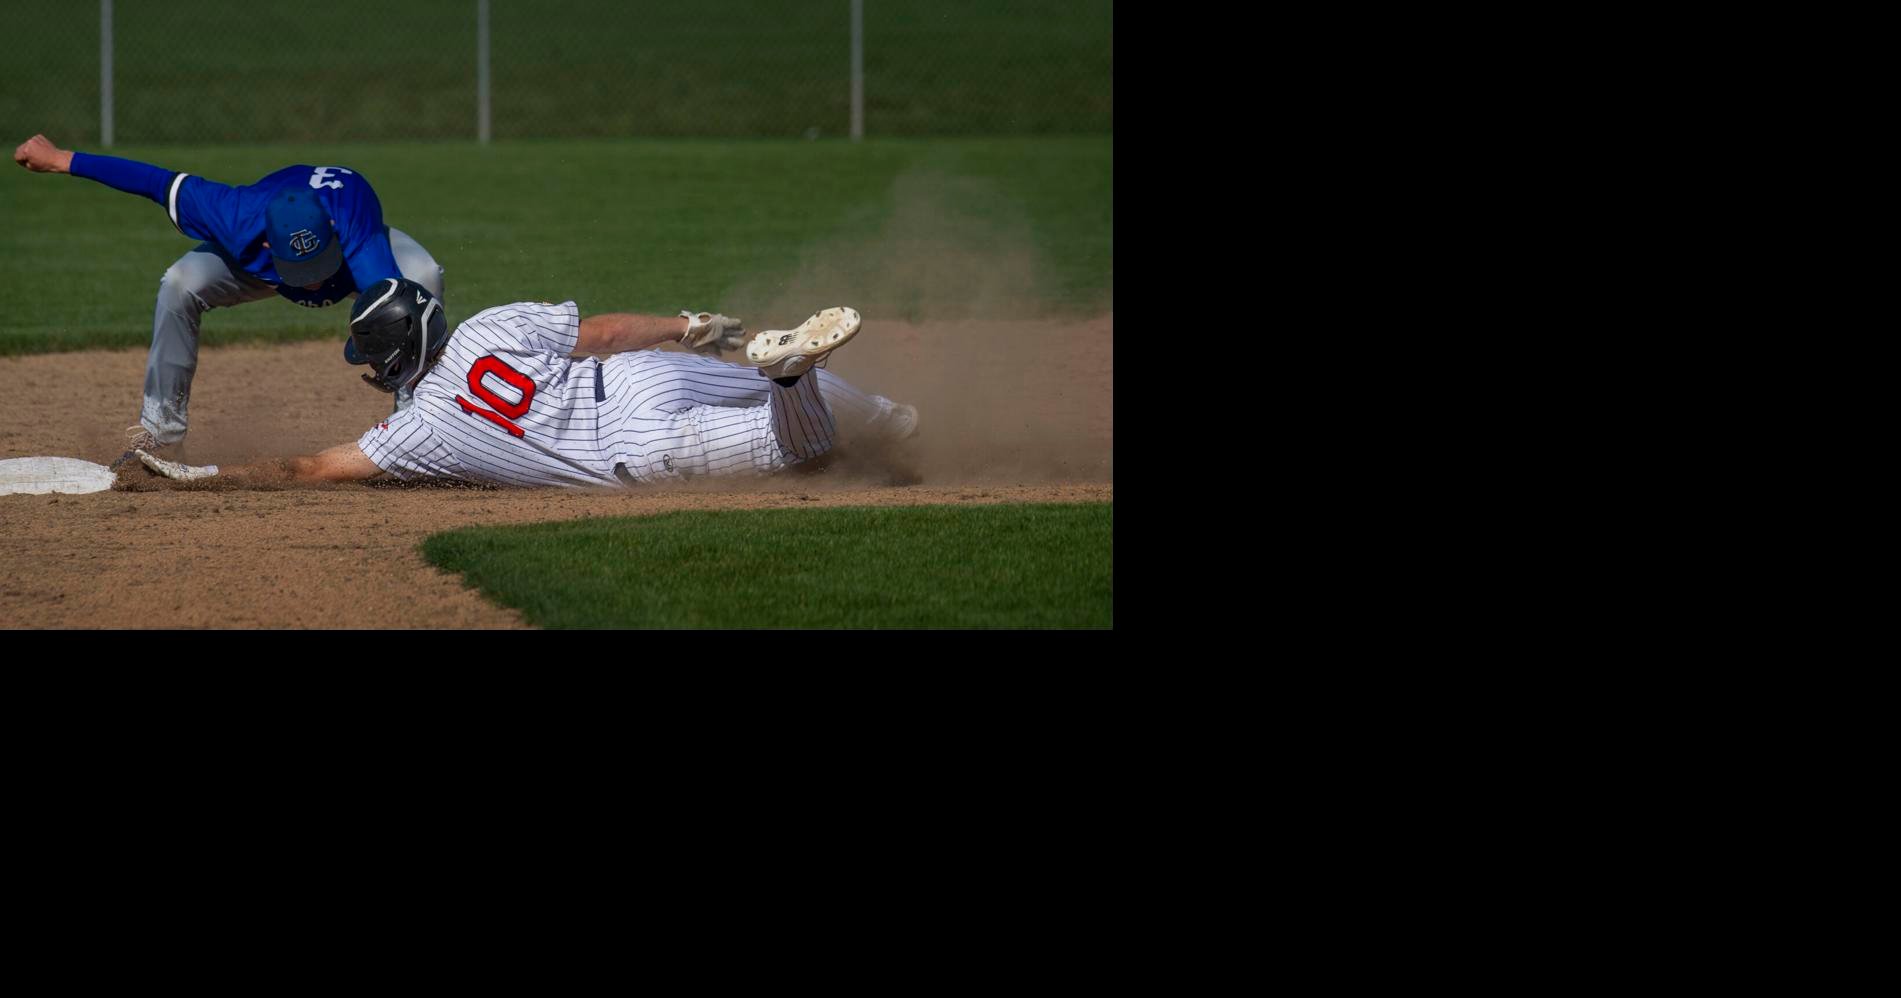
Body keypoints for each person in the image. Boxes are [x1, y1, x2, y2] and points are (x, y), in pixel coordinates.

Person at [132, 280, 919, 489]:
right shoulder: (488, 327)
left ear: (390, 365)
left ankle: (789, 380)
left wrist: (206, 476)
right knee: (750, 376)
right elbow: (607, 336)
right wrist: (687, 325)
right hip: (639, 377)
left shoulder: (419, 432)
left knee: (796, 442)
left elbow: (311, 468)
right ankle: (889, 418)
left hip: (640, 447)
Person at [11, 133, 448, 463]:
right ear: (264, 246)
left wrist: (381, 354)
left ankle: (412, 428)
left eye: (317, 267)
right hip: (261, 258)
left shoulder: (356, 237)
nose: (313, 284)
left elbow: (400, 312)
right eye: (302, 273)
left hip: (353, 248)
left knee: (422, 274)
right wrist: (62, 160)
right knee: (180, 282)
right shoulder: (232, 215)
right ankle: (161, 434)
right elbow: (154, 181)